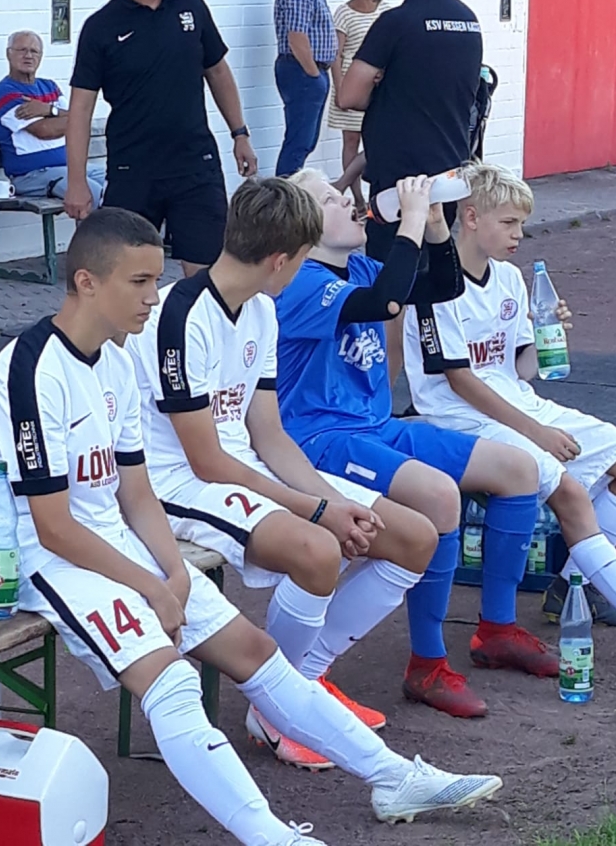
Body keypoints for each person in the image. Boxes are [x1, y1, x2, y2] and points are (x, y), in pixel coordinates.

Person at [0, 207, 503, 844]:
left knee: (257, 653)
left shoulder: (113, 360)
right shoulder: (30, 369)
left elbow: (135, 491)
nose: (152, 296)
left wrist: (172, 572)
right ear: (86, 282)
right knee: (173, 682)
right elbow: (53, 527)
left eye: (154, 279)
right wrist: (151, 583)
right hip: (42, 559)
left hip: (113, 540)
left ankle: (393, 777)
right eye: (138, 282)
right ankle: (271, 836)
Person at [125, 176, 437, 768]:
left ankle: (300, 684)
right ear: (281, 259)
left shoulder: (262, 309)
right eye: (302, 258)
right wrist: (318, 510)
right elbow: (207, 460)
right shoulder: (180, 316)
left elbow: (268, 434)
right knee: (318, 550)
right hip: (176, 482)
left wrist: (331, 501)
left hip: (236, 467)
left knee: (413, 537)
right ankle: (278, 710)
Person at [403, 162, 616, 679]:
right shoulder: (435, 281)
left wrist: (549, 337)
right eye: (509, 223)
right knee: (568, 492)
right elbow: (460, 380)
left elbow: (519, 369)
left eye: (522, 224)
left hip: (516, 402)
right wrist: (536, 433)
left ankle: (572, 584)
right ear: (471, 217)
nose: (519, 235)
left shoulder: (508, 278)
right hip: (458, 417)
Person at [276, 169, 561, 720]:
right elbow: (387, 303)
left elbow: (441, 287)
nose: (349, 201)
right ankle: (426, 663)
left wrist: (433, 229)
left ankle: (497, 628)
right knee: (439, 496)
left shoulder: (359, 267)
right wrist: (408, 220)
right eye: (331, 200)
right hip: (322, 437)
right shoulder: (302, 282)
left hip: (375, 424)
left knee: (517, 468)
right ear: (303, 227)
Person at [64, 0, 258, 277]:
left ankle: (197, 319)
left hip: (195, 165)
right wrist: (76, 182)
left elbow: (218, 71)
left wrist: (240, 134)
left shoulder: (191, 5)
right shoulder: (101, 27)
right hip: (133, 170)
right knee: (125, 276)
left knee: (209, 277)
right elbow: (80, 111)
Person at [337, 0, 482, 382]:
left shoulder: (396, 22)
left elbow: (349, 95)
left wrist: (380, 84)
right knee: (431, 287)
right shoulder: (469, 21)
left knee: (390, 295)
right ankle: (430, 382)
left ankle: (382, 392)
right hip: (448, 177)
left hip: (399, 187)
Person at [0, 30, 105, 209]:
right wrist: (64, 118)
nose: (28, 56)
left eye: (34, 51)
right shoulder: (5, 92)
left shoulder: (49, 86)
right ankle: (96, 229)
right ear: (8, 54)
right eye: (22, 50)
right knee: (94, 195)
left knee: (119, 185)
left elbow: (79, 117)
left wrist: (49, 110)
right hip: (32, 175)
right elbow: (44, 130)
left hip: (68, 169)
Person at [327, 0, 388, 217]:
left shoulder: (386, 12)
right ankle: (358, 200)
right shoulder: (344, 12)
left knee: (378, 140)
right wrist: (340, 88)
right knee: (350, 141)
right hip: (349, 83)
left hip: (378, 88)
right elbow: (336, 53)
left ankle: (374, 196)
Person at [273, 0, 338, 177]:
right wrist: (313, 73)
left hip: (309, 72)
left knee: (305, 141)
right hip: (301, 71)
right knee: (299, 141)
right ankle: (285, 193)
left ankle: (291, 189)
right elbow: (297, 36)